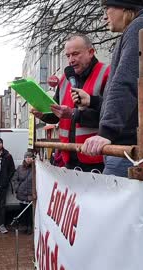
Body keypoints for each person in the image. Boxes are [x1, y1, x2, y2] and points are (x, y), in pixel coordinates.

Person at [81, 0, 143, 175]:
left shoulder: (142, 27)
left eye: (107, 8)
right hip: (132, 144)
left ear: (123, 5)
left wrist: (107, 131)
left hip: (133, 147)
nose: (104, 17)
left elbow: (126, 82)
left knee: (113, 202)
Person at [31, 34, 109, 172]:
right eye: (68, 56)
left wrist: (74, 114)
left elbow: (111, 116)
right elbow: (56, 116)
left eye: (75, 54)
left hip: (97, 158)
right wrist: (42, 114)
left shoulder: (106, 73)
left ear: (91, 52)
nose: (71, 60)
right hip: (69, 158)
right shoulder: (65, 79)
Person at [12, 152, 34, 234]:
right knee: (23, 210)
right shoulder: (20, 168)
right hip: (22, 193)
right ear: (24, 158)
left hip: (30, 193)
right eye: (27, 157)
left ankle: (30, 226)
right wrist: (17, 188)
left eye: (30, 157)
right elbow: (15, 179)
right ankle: (24, 226)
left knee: (30, 211)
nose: (28, 159)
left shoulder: (35, 168)